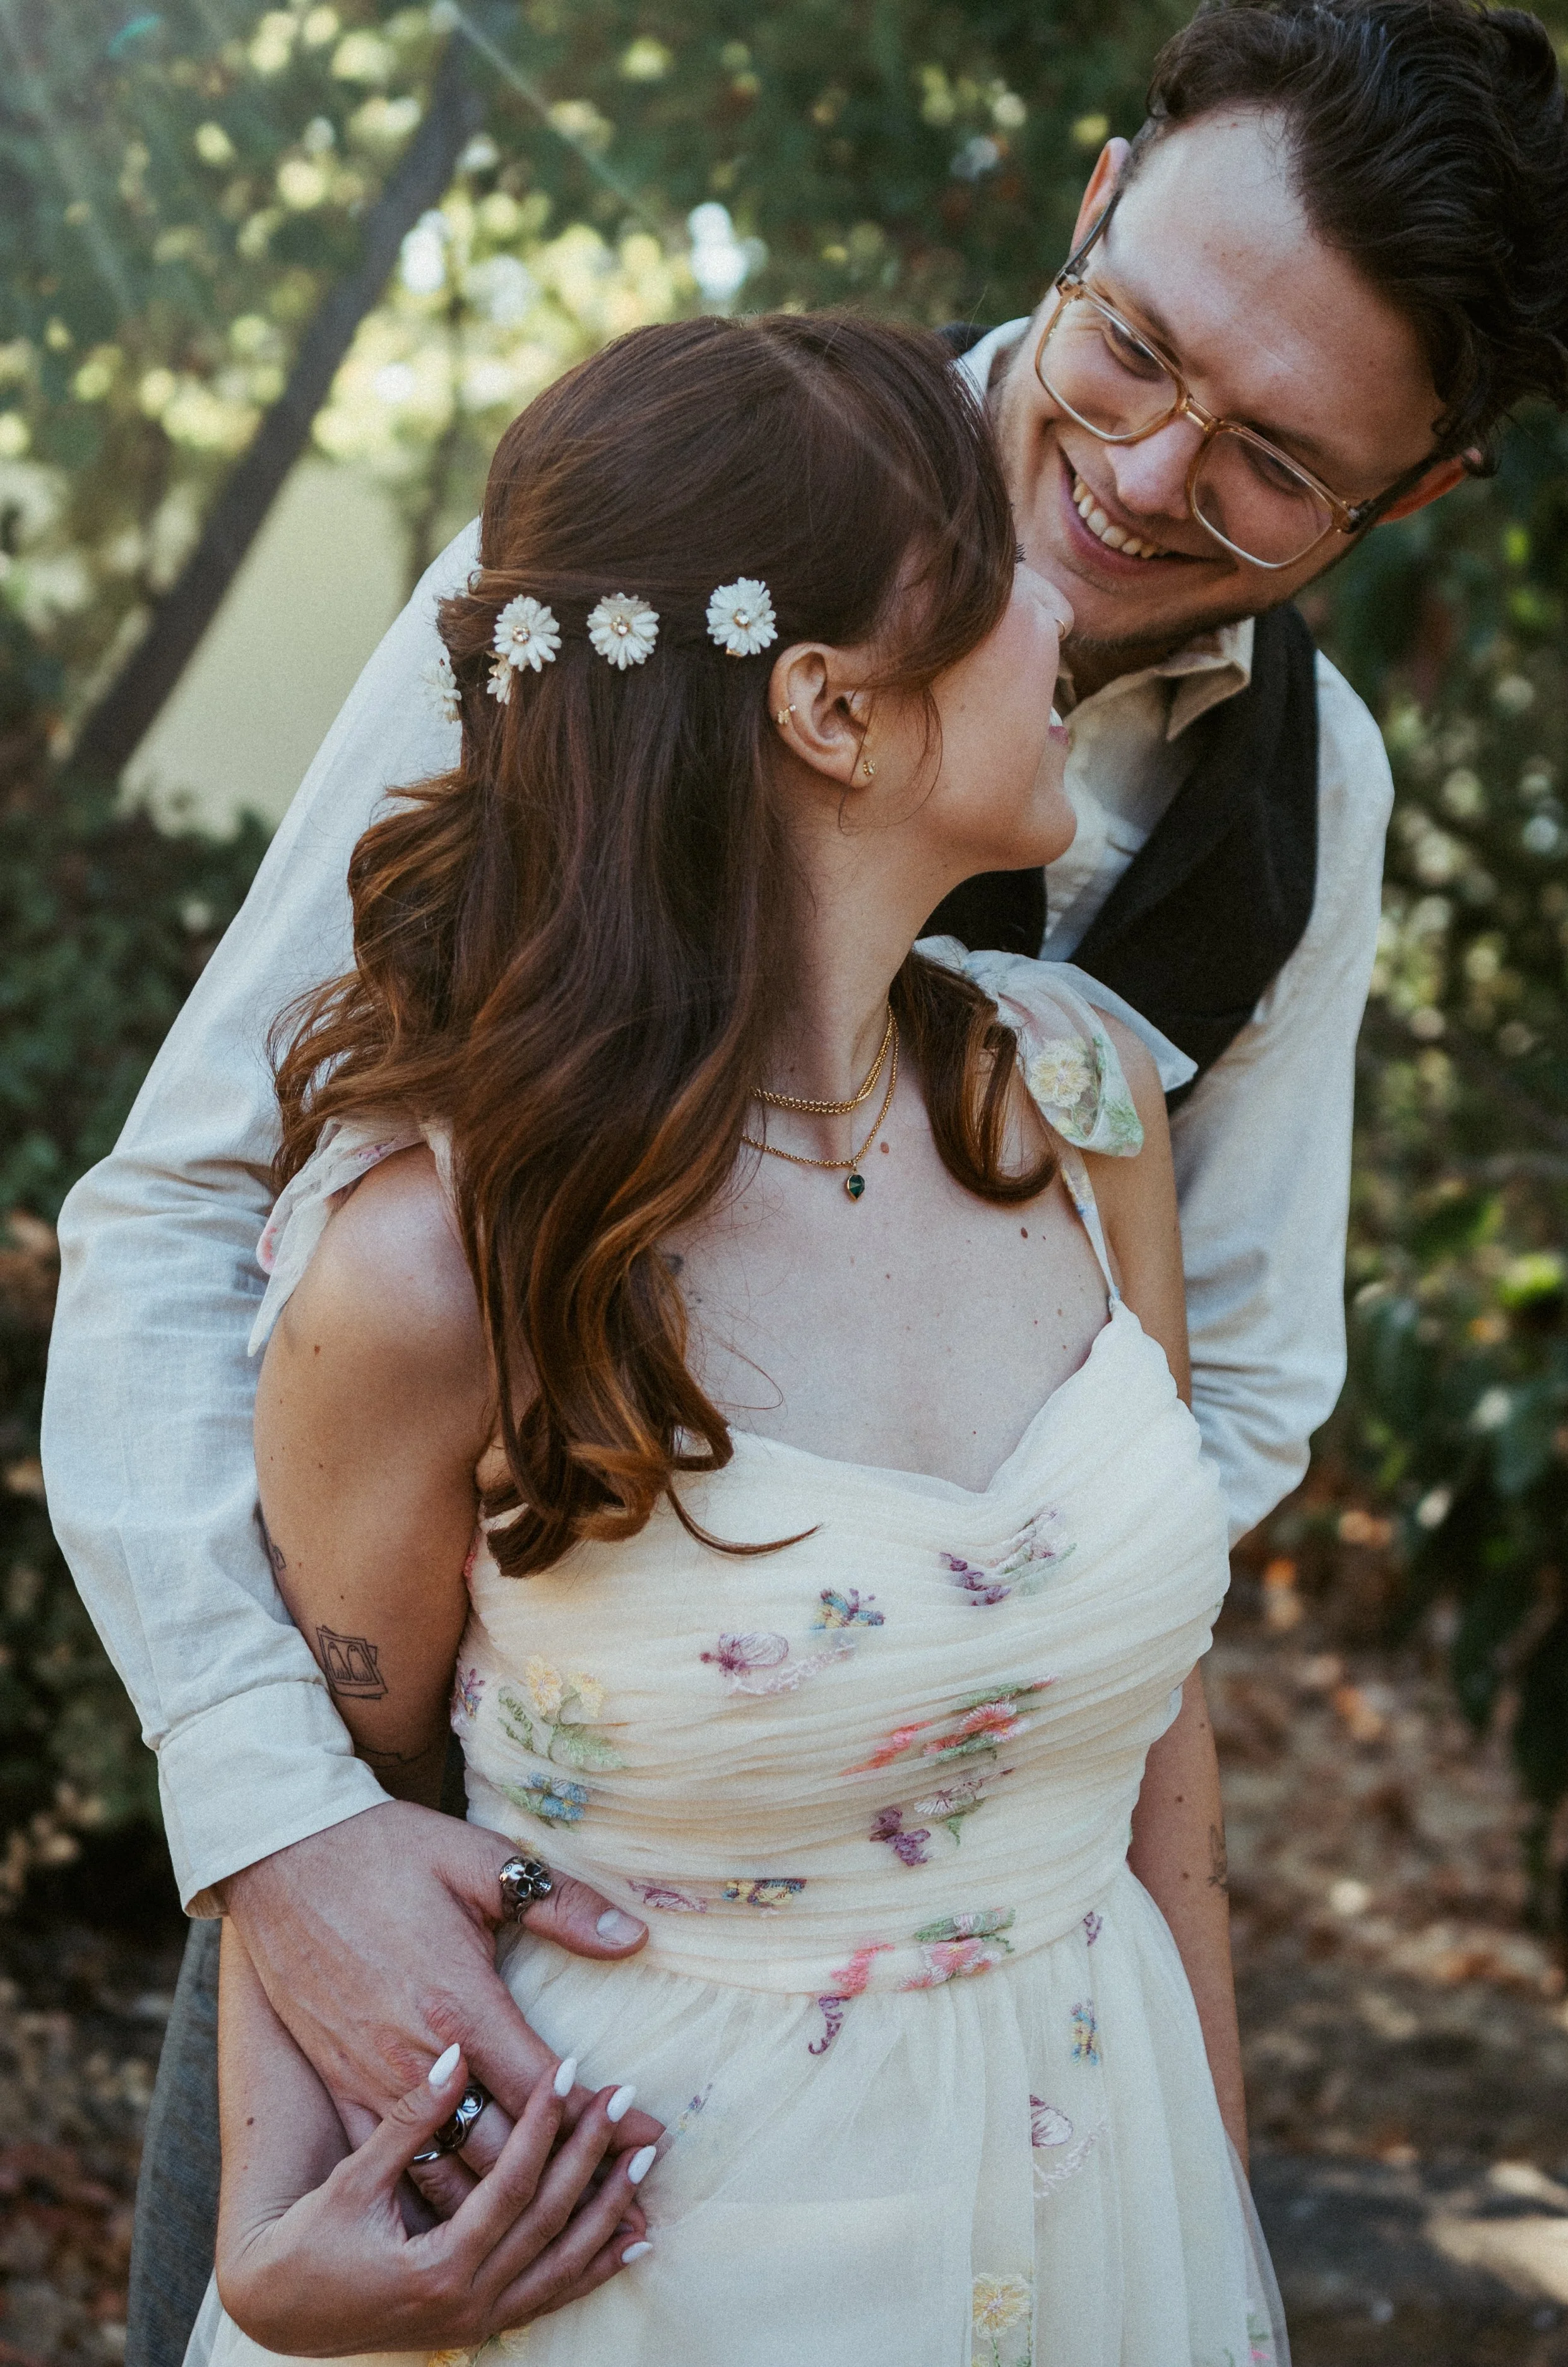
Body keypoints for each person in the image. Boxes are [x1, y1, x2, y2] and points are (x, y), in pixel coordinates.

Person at [39, 0, 1568, 2359]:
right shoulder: (638, 567)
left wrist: (925, 1631)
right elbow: (185, 1210)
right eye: (1132, 348)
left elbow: (1233, 1379)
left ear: (1422, 490)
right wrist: (283, 1817)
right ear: (1088, 205)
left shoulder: (1303, 803)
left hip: (979, 1931)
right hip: (423, 1804)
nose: (1146, 479)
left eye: (1274, 461)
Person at [204, 303, 1285, 2364]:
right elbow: (337, 1791)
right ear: (827, 709)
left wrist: (1210, 2228)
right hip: (644, 2262)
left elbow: (1169, 1753)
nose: (1062, 610)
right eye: (994, 575)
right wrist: (267, 2229)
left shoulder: (1081, 1112)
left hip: (1095, 2197)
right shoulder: (439, 1267)